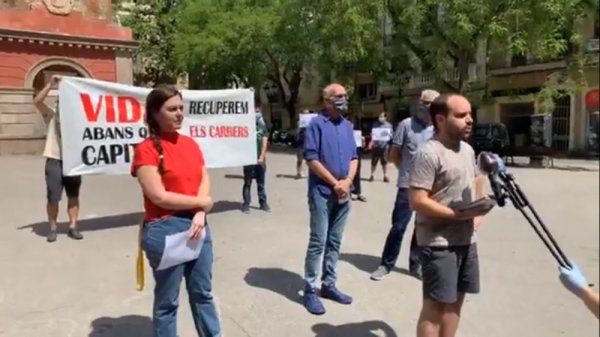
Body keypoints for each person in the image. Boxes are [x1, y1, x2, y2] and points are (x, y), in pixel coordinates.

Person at [131, 85, 221, 337]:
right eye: (172, 109)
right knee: (168, 302)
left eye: (181, 108)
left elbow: (203, 177)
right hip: (166, 230)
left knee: (202, 293)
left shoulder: (190, 144)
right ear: (154, 114)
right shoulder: (146, 149)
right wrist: (200, 204)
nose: (179, 113)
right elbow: (159, 196)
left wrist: (201, 212)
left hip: (198, 225)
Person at [409, 93, 490, 337]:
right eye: (461, 115)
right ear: (441, 119)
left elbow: (476, 178)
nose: (469, 120)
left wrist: (479, 209)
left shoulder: (466, 149)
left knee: (455, 304)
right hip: (438, 245)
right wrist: (456, 215)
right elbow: (417, 201)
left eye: (470, 114)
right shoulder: (428, 153)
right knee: (435, 308)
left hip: (467, 241)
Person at [370, 89, 439, 281]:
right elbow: (393, 154)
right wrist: (406, 171)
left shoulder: (438, 128)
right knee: (399, 226)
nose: (427, 107)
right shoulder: (406, 125)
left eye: (431, 104)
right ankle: (386, 264)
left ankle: (415, 265)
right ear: (420, 102)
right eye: (425, 102)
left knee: (422, 227)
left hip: (430, 187)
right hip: (407, 185)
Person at [302, 83, 358, 315]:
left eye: (346, 95)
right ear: (327, 100)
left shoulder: (347, 126)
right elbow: (311, 159)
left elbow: (355, 157)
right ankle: (310, 289)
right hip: (323, 193)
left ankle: (329, 284)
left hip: (344, 193)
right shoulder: (315, 125)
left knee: (335, 241)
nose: (344, 99)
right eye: (339, 96)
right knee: (319, 241)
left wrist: (347, 182)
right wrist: (334, 183)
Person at [33, 74, 83, 242]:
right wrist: (50, 85)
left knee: (74, 195)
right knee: (53, 196)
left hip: (73, 161)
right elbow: (37, 102)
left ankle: (73, 226)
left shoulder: (79, 120)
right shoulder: (52, 115)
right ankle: (53, 228)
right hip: (55, 159)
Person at [242, 98, 270, 214]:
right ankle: (246, 204)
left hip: (260, 160)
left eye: (258, 110)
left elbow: (264, 140)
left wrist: (262, 156)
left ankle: (263, 203)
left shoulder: (262, 127)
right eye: (255, 110)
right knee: (247, 183)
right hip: (248, 160)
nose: (257, 112)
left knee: (261, 183)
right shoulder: (244, 127)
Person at [368, 112, 393, 183]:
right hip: (376, 146)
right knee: (374, 162)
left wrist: (389, 135)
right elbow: (372, 134)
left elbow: (392, 135)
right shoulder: (375, 125)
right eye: (379, 116)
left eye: (382, 116)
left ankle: (385, 176)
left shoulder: (389, 125)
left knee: (384, 162)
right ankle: (372, 175)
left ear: (385, 117)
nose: (380, 118)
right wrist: (372, 136)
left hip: (384, 146)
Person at [351, 120, 367, 202]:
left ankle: (358, 192)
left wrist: (363, 140)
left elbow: (363, 146)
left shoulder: (358, 134)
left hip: (357, 154)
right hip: (348, 154)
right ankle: (351, 191)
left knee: (357, 173)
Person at [296, 109, 310, 179]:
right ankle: (298, 172)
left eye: (307, 113)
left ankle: (305, 173)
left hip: (308, 143)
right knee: (300, 159)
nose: (306, 115)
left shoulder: (311, 123)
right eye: (305, 113)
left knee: (309, 159)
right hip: (301, 143)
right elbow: (297, 132)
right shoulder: (300, 123)